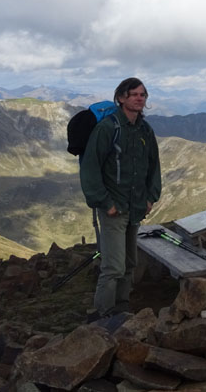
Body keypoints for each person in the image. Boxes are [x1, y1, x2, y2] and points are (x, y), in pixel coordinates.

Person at [79, 77, 162, 317]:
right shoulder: (108, 128)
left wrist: (150, 198)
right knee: (113, 267)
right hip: (114, 208)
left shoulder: (145, 129)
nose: (139, 98)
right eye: (134, 94)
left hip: (135, 207)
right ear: (122, 98)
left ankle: (122, 308)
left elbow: (153, 165)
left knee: (130, 264)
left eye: (143, 95)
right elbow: (91, 168)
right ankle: (103, 316)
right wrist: (106, 203)